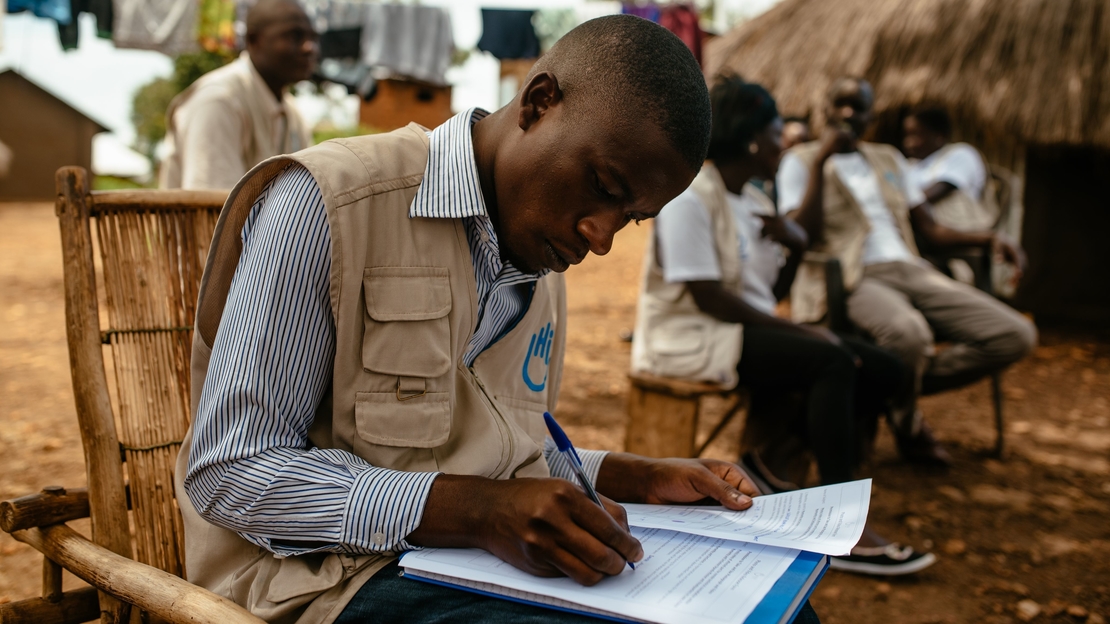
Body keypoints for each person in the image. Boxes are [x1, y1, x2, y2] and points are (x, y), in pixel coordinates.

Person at [175, 16, 822, 624]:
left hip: (460, 564)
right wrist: (478, 513)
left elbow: (486, 449)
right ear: (539, 101)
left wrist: (634, 475)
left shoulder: (539, 260)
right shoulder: (328, 203)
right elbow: (233, 468)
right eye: (601, 184)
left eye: (632, 218)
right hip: (313, 583)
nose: (602, 237)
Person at [632, 75, 934, 576]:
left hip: (737, 331)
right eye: (778, 131)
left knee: (887, 369)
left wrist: (792, 245)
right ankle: (841, 528)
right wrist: (806, 332)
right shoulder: (690, 198)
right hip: (690, 336)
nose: (786, 140)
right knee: (833, 359)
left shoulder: (752, 201)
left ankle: (772, 461)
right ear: (752, 138)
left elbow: (767, 295)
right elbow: (710, 297)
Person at [777, 77, 1037, 463]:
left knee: (1014, 334)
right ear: (825, 110)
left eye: (858, 107)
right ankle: (909, 421)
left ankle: (880, 388)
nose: (849, 114)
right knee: (908, 335)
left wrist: (989, 239)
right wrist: (821, 162)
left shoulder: (889, 159)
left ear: (871, 116)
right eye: (841, 105)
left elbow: (929, 228)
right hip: (851, 275)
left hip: (910, 266)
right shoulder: (799, 161)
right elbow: (800, 233)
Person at [159, 0, 317, 190]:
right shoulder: (219, 102)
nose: (309, 48)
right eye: (294, 36)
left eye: (314, 38)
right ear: (253, 40)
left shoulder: (293, 114)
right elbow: (213, 210)